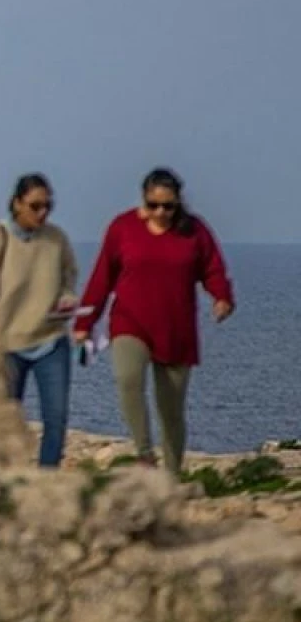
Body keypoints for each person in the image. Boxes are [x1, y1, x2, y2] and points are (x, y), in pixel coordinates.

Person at [73, 168, 234, 474]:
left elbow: (212, 268)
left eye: (168, 206)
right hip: (130, 322)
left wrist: (221, 297)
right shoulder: (122, 228)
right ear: (143, 201)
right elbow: (101, 278)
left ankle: (172, 477)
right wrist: (84, 322)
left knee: (171, 410)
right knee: (128, 379)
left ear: (178, 204)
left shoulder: (194, 231)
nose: (161, 212)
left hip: (176, 329)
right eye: (153, 205)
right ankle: (145, 454)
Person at [0, 173, 79, 467]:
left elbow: (69, 275)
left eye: (48, 207)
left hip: (50, 339)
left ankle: (46, 482)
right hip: (7, 344)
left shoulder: (57, 239)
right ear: (17, 203)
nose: (42, 213)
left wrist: (67, 298)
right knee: (4, 419)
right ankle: (2, 478)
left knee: (56, 418)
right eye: (35, 206)